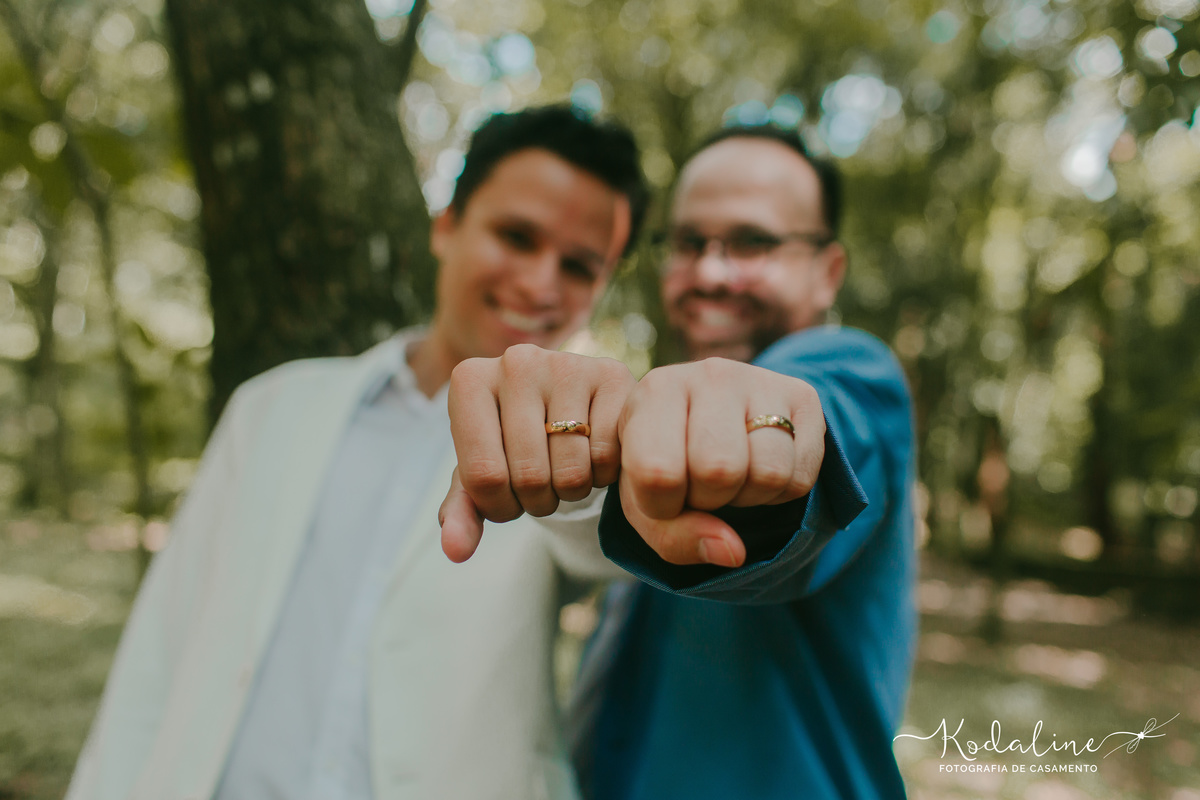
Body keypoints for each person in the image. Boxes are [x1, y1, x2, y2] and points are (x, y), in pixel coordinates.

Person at [67, 105, 651, 800]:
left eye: (579, 267)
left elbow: (600, 535)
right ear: (447, 225)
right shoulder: (272, 408)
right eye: (516, 236)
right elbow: (161, 647)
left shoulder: (575, 443)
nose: (540, 282)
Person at [440, 124, 918, 799]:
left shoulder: (855, 373)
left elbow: (819, 450)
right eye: (689, 243)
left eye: (753, 242)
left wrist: (767, 443)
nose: (711, 273)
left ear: (827, 271)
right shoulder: (660, 421)